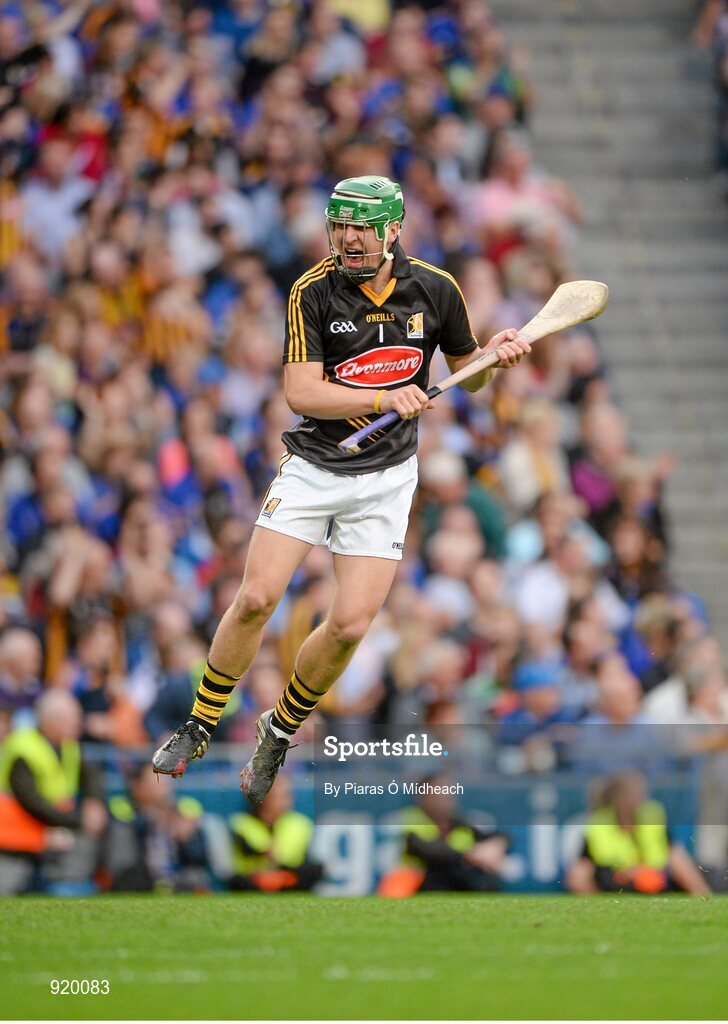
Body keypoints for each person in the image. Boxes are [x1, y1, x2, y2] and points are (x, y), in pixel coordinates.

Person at [152, 175, 530, 803]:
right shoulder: (312, 290)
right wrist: (386, 394)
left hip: (386, 479)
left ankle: (280, 728)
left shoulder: (437, 290)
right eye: (340, 226)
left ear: (392, 230)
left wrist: (492, 357)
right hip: (315, 466)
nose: (348, 239)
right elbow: (301, 392)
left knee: (351, 624)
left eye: (361, 227)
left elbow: (471, 379)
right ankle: (200, 721)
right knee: (255, 598)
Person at [0, 690, 106, 894]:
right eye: (73, 720)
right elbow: (30, 800)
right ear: (52, 721)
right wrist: (74, 821)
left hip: (46, 826)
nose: (79, 725)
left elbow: (90, 774)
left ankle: (69, 886)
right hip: (14, 836)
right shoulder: (23, 748)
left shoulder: (67, 746)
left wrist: (94, 802)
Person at [565, 771, 710, 895]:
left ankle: (703, 895)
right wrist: (624, 872)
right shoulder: (599, 824)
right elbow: (584, 864)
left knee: (678, 857)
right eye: (634, 794)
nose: (640, 798)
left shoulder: (652, 816)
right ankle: (599, 908)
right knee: (578, 874)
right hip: (613, 880)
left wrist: (640, 870)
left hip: (652, 878)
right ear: (617, 799)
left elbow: (671, 853)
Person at [228, 777, 322, 892]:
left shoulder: (300, 823)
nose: (288, 801)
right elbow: (247, 850)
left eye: (288, 795)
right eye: (282, 796)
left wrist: (280, 876)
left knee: (314, 870)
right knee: (237, 880)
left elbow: (297, 858)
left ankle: (281, 882)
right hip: (255, 876)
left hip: (288, 874)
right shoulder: (241, 822)